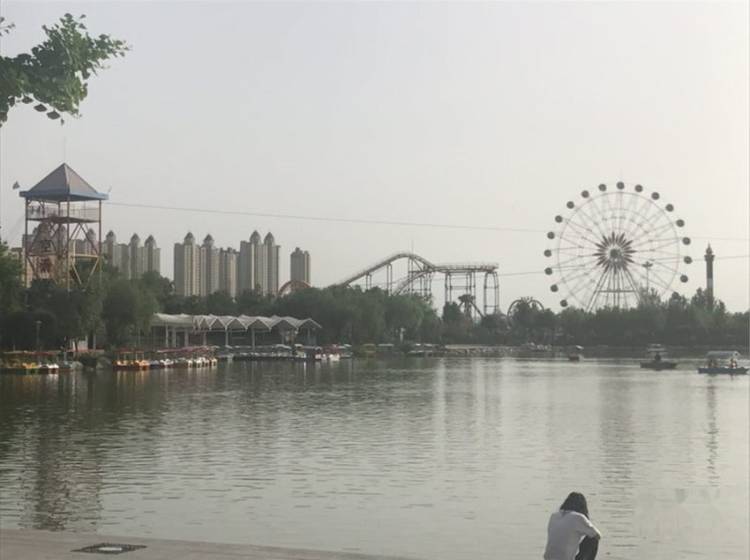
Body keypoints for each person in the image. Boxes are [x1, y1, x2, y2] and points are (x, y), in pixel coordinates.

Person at [543, 492, 601, 560]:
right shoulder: (578, 517)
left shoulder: (554, 515)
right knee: (593, 539)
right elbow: (598, 535)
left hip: (548, 558)